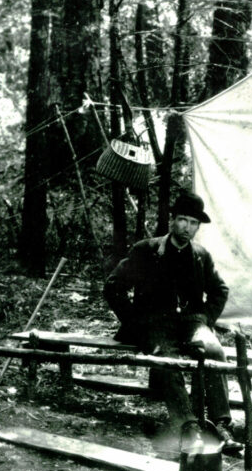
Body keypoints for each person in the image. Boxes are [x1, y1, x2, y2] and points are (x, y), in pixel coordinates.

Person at [103, 190, 241, 455]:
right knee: (165, 359)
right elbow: (113, 287)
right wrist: (134, 322)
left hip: (191, 323)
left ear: (198, 226)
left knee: (214, 350)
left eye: (193, 223)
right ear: (172, 220)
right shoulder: (147, 250)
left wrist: (206, 320)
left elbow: (219, 290)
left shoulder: (201, 255)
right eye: (182, 220)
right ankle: (188, 428)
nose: (187, 227)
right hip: (155, 325)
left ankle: (221, 425)